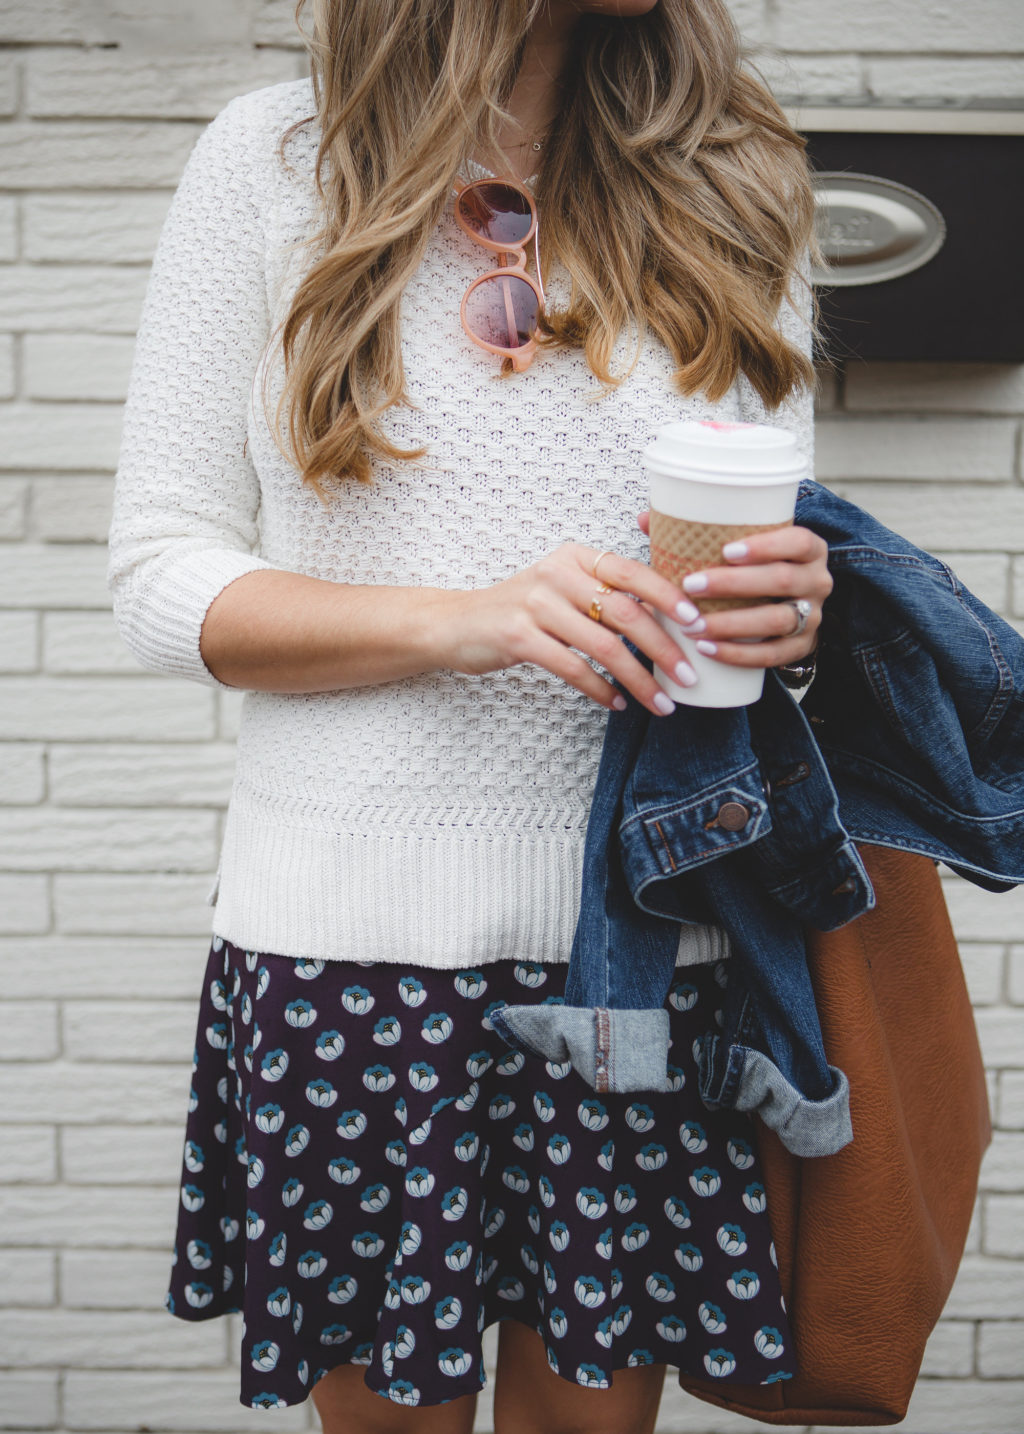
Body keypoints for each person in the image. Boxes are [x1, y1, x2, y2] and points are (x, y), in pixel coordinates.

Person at [107, 1, 833, 1430]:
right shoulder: (272, 165)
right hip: (353, 956)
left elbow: (764, 560)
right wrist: (469, 620)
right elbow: (160, 574)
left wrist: (798, 612)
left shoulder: (734, 173)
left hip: (641, 954)